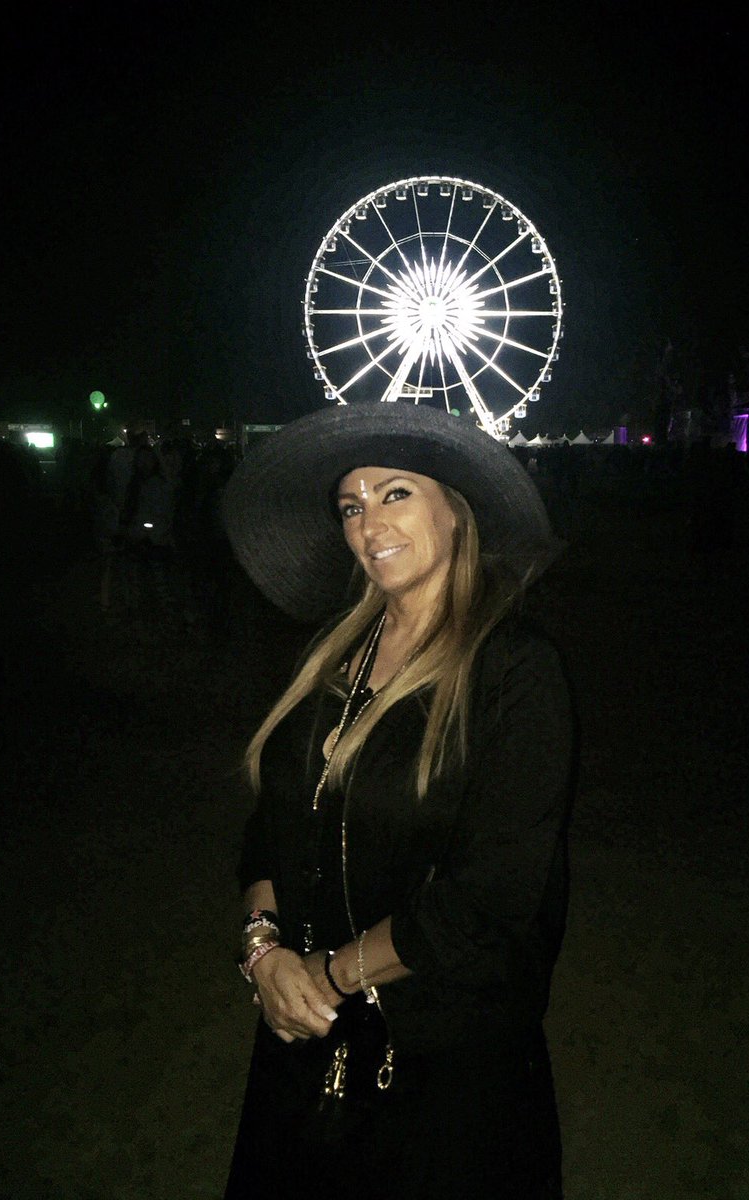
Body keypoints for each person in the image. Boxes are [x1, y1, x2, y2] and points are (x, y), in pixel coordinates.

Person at [221, 404, 579, 1200]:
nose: (367, 524)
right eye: (350, 505)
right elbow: (271, 828)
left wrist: (328, 975)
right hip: (305, 1041)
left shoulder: (513, 673)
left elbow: (492, 897)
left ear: (456, 510)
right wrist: (263, 951)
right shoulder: (334, 655)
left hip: (442, 1064)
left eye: (395, 494)